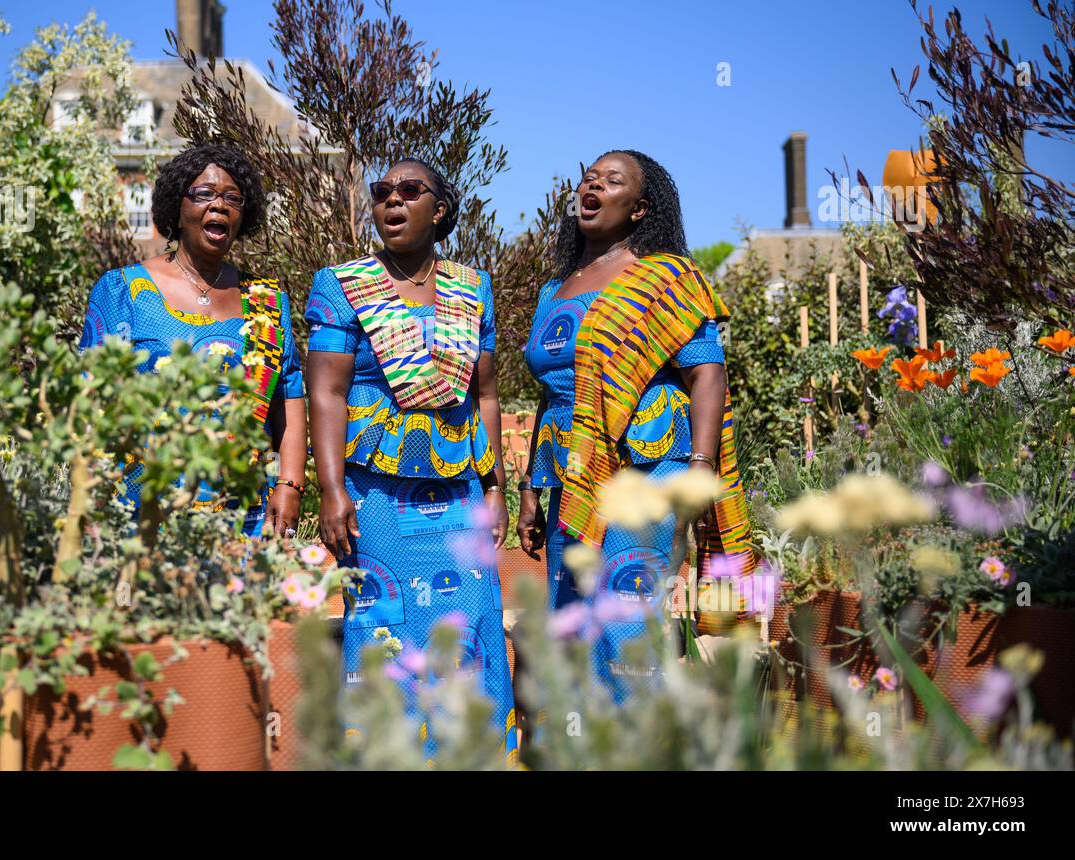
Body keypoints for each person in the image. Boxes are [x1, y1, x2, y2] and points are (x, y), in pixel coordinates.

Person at [515, 149, 754, 699]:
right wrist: (531, 487)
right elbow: (552, 394)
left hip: (645, 469)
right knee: (573, 618)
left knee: (627, 616)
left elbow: (708, 375)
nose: (592, 185)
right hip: (570, 481)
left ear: (641, 208)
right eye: (589, 177)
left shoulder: (667, 278)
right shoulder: (555, 290)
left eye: (611, 180)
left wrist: (700, 468)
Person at [305, 158, 516, 761]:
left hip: (458, 494)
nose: (391, 201)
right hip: (375, 498)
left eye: (409, 191)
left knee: (470, 632)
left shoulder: (473, 287)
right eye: (381, 193)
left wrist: (497, 487)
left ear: (440, 210)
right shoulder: (341, 284)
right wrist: (331, 489)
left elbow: (486, 394)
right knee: (382, 627)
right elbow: (327, 392)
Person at [79, 142, 307, 540]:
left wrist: (290, 485)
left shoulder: (267, 303)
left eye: (232, 198)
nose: (219, 206)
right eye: (203, 194)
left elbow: (288, 397)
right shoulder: (124, 291)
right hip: (142, 507)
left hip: (245, 516)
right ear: (177, 209)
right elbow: (90, 402)